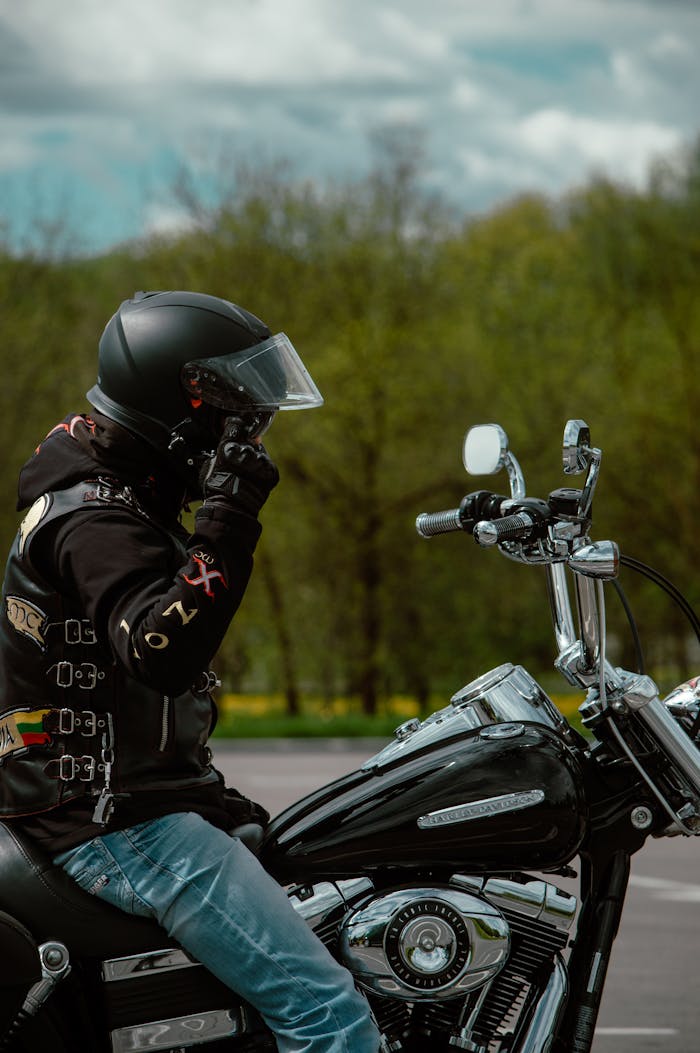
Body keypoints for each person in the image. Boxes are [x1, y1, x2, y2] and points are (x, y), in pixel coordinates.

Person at [0, 290, 380, 1053]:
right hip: (118, 828)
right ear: (181, 410)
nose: (252, 435)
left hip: (132, 810)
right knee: (329, 1015)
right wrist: (227, 522)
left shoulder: (123, 496)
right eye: (239, 417)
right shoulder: (93, 517)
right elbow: (160, 650)